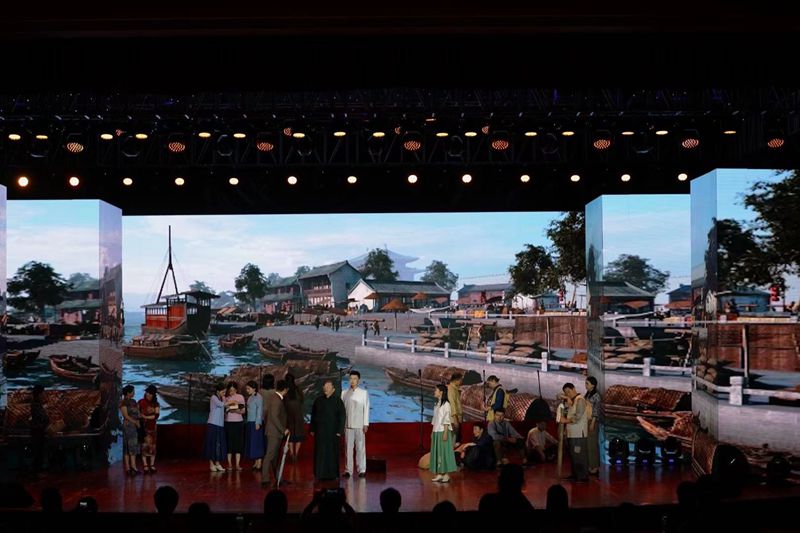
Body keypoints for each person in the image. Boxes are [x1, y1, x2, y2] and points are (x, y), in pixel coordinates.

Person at [310, 380, 346, 480]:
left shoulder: (338, 401)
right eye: (325, 386)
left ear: (333, 389)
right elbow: (313, 416)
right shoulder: (318, 401)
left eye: (328, 386)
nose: (326, 388)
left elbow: (342, 416)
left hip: (333, 432)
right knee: (320, 452)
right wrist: (312, 428)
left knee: (332, 453)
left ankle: (332, 474)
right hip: (320, 432)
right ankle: (319, 473)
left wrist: (339, 431)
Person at [262, 379, 289, 487]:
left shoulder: (275, 398)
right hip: (274, 432)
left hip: (275, 432)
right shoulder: (276, 400)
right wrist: (283, 429)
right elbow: (274, 417)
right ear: (285, 389)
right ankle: (265, 480)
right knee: (269, 456)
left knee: (274, 458)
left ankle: (279, 478)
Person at [342, 370, 369, 478]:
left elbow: (366, 409)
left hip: (359, 424)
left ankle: (361, 469)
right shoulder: (344, 393)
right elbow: (342, 410)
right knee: (348, 449)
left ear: (358, 380)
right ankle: (348, 470)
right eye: (351, 378)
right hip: (348, 424)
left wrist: (365, 424)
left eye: (355, 379)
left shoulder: (363, 393)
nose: (352, 381)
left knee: (360, 448)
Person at [560, 382, 589, 483]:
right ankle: (575, 474)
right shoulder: (573, 401)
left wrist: (565, 421)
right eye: (566, 393)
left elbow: (578, 416)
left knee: (579, 455)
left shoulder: (580, 400)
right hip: (572, 433)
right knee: (573, 455)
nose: (568, 394)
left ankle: (582, 477)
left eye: (569, 391)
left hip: (579, 433)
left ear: (573, 389)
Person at [430, 384, 458, 483]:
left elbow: (447, 419)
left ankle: (446, 474)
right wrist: (432, 431)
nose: (434, 392)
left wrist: (446, 432)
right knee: (438, 452)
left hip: (443, 430)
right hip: (436, 430)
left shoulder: (446, 404)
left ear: (441, 392)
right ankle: (440, 473)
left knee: (444, 452)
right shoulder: (437, 404)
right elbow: (435, 419)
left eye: (436, 390)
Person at [205, 383, 228, 472]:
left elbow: (224, 406)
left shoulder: (223, 398)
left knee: (219, 444)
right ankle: (211, 464)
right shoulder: (213, 398)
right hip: (213, 423)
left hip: (220, 424)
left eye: (225, 392)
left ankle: (218, 463)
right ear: (218, 391)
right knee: (212, 444)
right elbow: (221, 405)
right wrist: (229, 403)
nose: (224, 393)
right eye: (223, 392)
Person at [119, 384, 141, 476]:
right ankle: (129, 468)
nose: (134, 393)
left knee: (133, 446)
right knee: (127, 447)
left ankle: (133, 467)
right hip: (128, 426)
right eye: (133, 391)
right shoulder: (123, 402)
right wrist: (135, 422)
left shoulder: (134, 401)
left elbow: (138, 413)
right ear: (128, 393)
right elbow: (125, 416)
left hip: (134, 427)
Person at [284, 373, 306, 462]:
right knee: (298, 436)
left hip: (288, 416)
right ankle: (296, 454)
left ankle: (291, 453)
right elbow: (302, 401)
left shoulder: (285, 391)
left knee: (290, 436)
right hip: (298, 416)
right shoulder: (298, 390)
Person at [138, 385, 160, 473]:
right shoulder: (141, 402)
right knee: (144, 446)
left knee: (152, 446)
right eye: (147, 392)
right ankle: (145, 465)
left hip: (152, 427)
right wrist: (141, 417)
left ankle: (152, 465)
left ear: (153, 395)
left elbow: (156, 416)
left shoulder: (156, 404)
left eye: (150, 393)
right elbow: (137, 413)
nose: (148, 394)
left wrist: (145, 417)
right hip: (144, 427)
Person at [224, 382, 246, 471]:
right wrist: (227, 409)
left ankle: (237, 464)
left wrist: (234, 410)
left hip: (238, 422)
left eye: (233, 390)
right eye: (230, 390)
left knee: (238, 444)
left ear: (236, 390)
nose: (231, 392)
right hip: (228, 422)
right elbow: (224, 411)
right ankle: (229, 464)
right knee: (229, 443)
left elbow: (243, 411)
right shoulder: (225, 398)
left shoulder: (240, 397)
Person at [244, 381, 265, 471]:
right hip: (250, 422)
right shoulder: (250, 397)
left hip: (255, 423)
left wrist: (258, 422)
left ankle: (259, 462)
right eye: (247, 388)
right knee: (253, 442)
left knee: (257, 442)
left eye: (248, 388)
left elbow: (259, 410)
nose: (247, 390)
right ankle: (256, 461)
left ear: (254, 389)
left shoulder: (259, 397)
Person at [585, 376, 602, 476]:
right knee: (588, 445)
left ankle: (595, 467)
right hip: (587, 420)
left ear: (593, 385)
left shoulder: (596, 396)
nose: (586, 385)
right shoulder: (588, 394)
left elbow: (596, 411)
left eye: (587, 383)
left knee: (592, 445)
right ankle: (590, 465)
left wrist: (592, 423)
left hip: (593, 422)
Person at [30, 384, 49, 472]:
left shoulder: (37, 404)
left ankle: (38, 471)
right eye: (43, 393)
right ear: (39, 394)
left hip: (39, 431)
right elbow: (43, 417)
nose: (44, 395)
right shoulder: (35, 405)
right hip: (38, 432)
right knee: (38, 452)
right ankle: (37, 472)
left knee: (39, 452)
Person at [447, 373, 463, 443]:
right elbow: (452, 404)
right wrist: (455, 418)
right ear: (456, 380)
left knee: (456, 439)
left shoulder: (455, 389)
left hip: (456, 417)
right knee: (453, 439)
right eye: (460, 380)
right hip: (453, 419)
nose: (461, 382)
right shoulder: (451, 389)